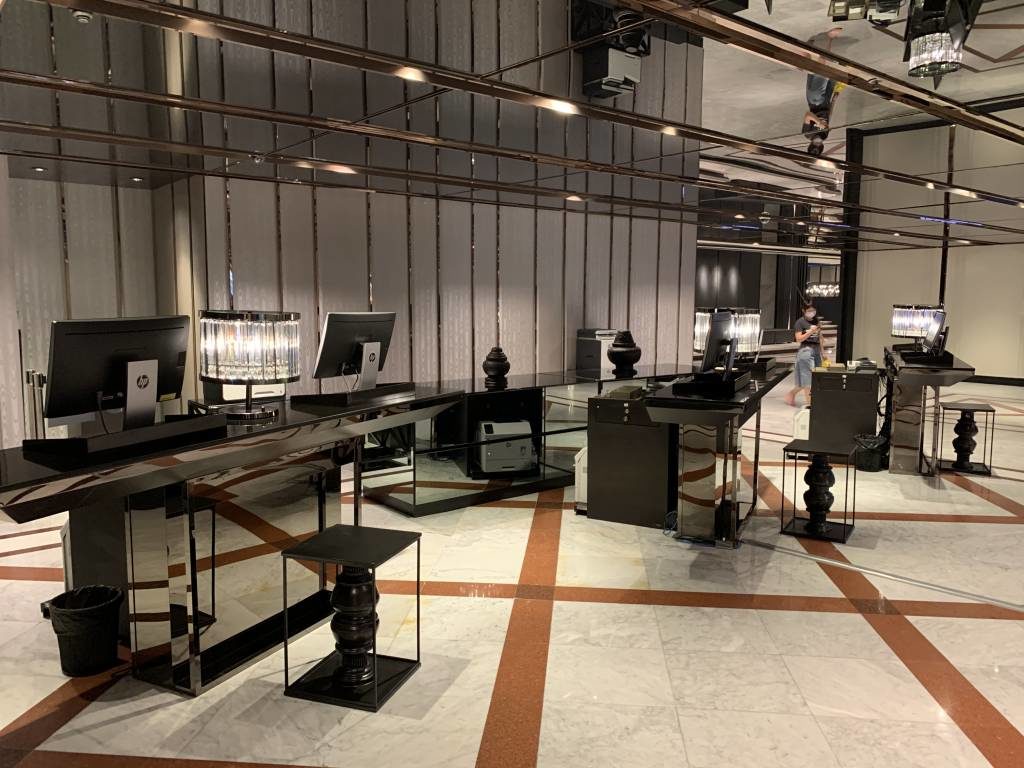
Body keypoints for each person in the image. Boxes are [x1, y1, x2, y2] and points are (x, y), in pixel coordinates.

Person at [801, 28, 844, 157]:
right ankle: (807, 47)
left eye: (815, 144)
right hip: (827, 101)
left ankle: (829, 37)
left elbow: (808, 115)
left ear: (811, 144)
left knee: (823, 69)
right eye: (819, 146)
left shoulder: (808, 134)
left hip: (815, 100)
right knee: (824, 71)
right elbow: (828, 117)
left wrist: (818, 123)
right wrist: (834, 101)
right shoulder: (824, 135)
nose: (818, 143)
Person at [784, 304, 822, 407]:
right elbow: (798, 339)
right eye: (809, 310)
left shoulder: (816, 321)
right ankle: (810, 404)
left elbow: (820, 337)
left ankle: (791, 394)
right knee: (807, 378)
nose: (812, 312)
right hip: (805, 350)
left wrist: (823, 353)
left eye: (813, 310)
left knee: (816, 377)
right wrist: (810, 331)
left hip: (816, 350)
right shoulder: (800, 322)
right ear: (804, 311)